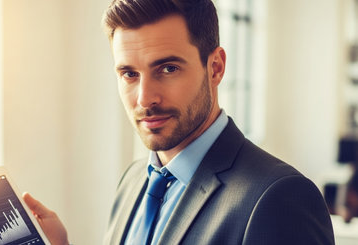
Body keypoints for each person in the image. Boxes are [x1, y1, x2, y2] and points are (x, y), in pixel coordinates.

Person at [23, 0, 335, 244]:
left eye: (168, 68)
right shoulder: (133, 180)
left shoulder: (280, 199)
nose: (145, 98)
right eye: (129, 74)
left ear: (215, 68)